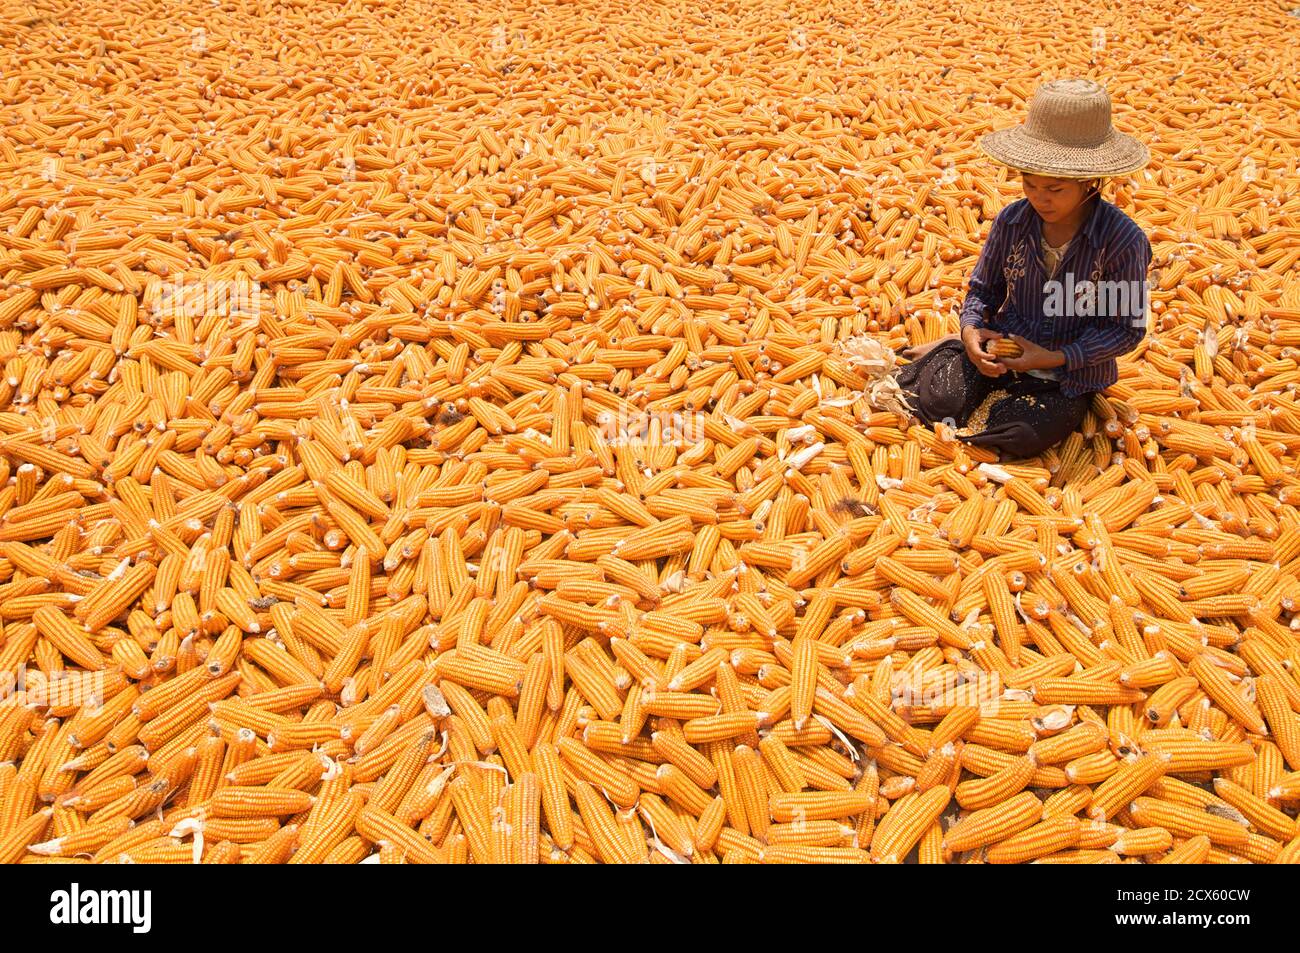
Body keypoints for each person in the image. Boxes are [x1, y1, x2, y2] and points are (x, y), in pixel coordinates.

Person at [896, 78, 1153, 459]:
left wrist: (1053, 357)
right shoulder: (1013, 222)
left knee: (1020, 434)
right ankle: (952, 349)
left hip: (1068, 374)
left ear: (1089, 184)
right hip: (1005, 353)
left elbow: (1125, 331)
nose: (1039, 198)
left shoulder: (1122, 242)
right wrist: (970, 332)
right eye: (1030, 184)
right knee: (938, 399)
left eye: (1054, 189)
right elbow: (983, 290)